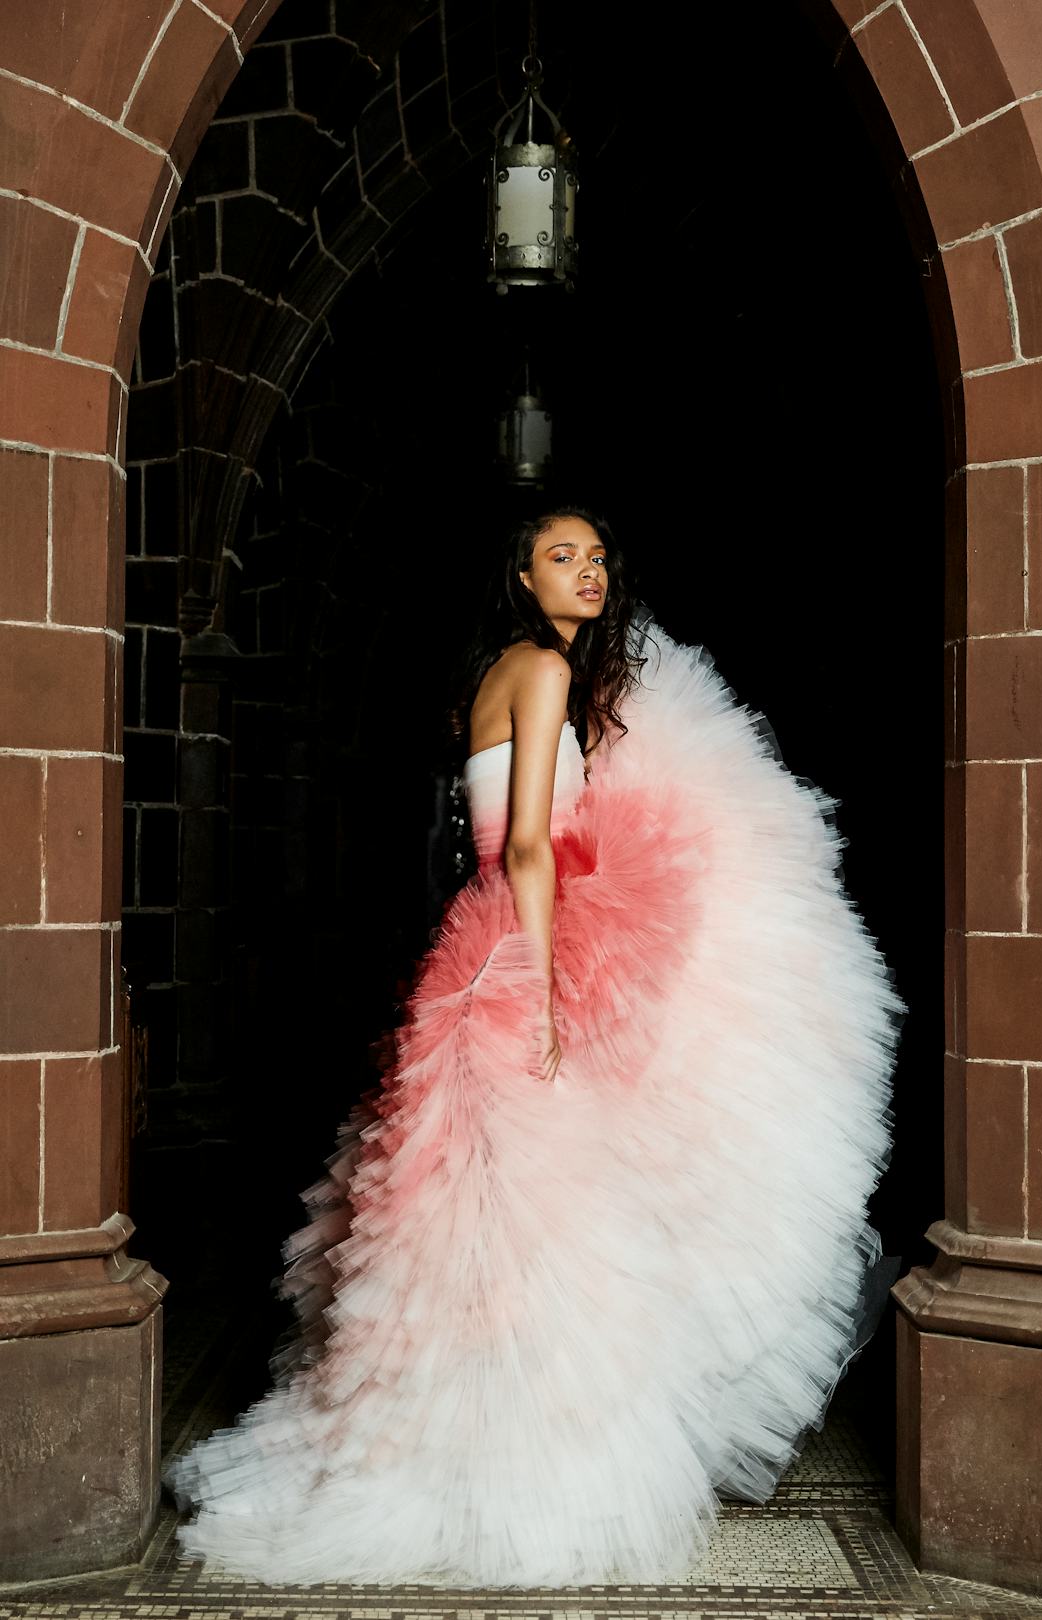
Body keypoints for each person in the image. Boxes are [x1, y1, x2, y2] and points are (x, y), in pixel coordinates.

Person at [166, 506, 904, 1589]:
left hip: (469, 961)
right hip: (511, 958)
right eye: (563, 557)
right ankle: (503, 1458)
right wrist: (553, 990)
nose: (589, 572)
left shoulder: (503, 676)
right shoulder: (543, 674)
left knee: (478, 1215)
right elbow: (525, 847)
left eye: (598, 557)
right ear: (519, 577)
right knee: (526, 1218)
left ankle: (456, 1439)